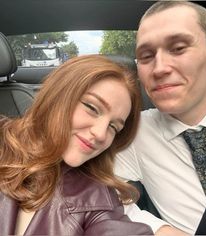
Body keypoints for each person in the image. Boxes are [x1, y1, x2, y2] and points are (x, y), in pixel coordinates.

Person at [114, 1, 206, 235]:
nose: (159, 68)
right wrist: (158, 229)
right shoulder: (133, 132)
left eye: (178, 48)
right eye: (146, 56)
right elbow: (97, 196)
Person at [0, 55, 156, 235]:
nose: (100, 134)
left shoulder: (96, 195)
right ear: (59, 94)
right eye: (91, 107)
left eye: (114, 127)